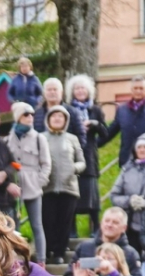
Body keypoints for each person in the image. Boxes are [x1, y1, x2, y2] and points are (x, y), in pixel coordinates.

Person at [39, 105, 85, 264]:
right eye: (54, 116)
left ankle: (60, 253)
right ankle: (48, 250)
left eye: (61, 116)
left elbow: (82, 161)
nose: (57, 118)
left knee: (64, 222)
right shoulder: (41, 137)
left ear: (65, 120)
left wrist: (75, 168)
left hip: (69, 187)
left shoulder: (72, 138)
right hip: (47, 188)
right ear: (48, 119)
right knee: (47, 221)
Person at [7, 102, 51, 263]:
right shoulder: (8, 139)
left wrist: (40, 182)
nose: (30, 118)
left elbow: (46, 164)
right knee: (13, 226)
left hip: (33, 186)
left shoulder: (39, 138)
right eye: (26, 115)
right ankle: (16, 260)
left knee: (37, 225)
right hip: (14, 187)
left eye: (32, 115)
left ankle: (41, 260)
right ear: (18, 117)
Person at [67, 75, 108, 235]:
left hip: (90, 155)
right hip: (71, 156)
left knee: (92, 194)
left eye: (83, 88)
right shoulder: (68, 109)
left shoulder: (95, 110)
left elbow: (105, 133)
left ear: (88, 90)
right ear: (72, 92)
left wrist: (95, 124)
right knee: (72, 194)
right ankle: (72, 230)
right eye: (77, 88)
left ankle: (95, 228)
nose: (80, 91)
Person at [108, 134, 145, 255]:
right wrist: (129, 201)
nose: (142, 150)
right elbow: (114, 196)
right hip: (130, 224)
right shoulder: (126, 169)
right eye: (139, 147)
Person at [102, 76, 145, 166]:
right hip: (127, 161)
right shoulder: (122, 110)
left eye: (141, 88)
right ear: (131, 90)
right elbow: (110, 132)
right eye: (135, 88)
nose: (138, 91)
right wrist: (93, 142)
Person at [75, 207, 143, 276]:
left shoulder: (131, 254)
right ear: (101, 223)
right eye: (107, 221)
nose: (109, 225)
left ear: (124, 228)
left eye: (115, 222)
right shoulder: (84, 247)